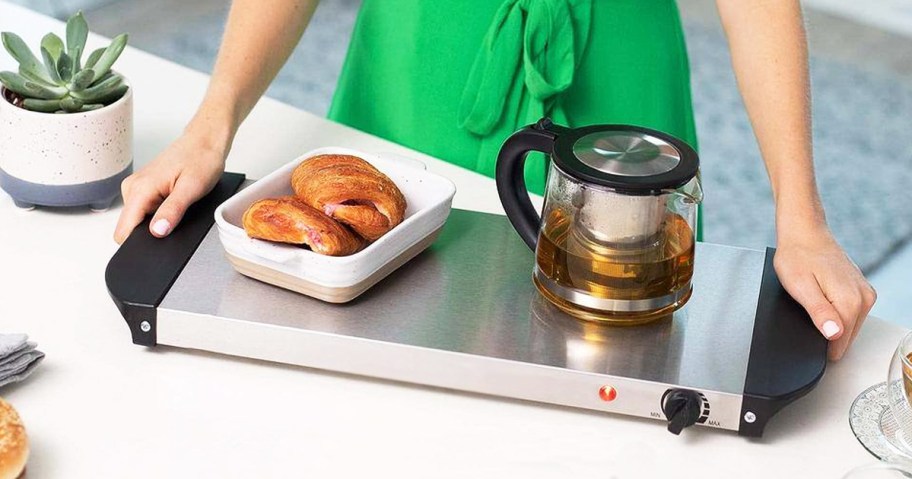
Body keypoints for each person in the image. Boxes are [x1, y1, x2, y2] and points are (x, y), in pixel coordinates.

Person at [113, 0, 876, 360]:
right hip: (419, 75)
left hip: (615, 90)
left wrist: (801, 219)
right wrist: (212, 122)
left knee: (618, 360)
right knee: (365, 349)